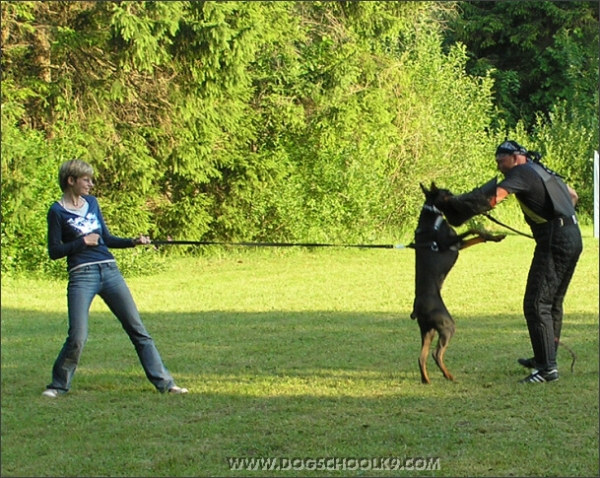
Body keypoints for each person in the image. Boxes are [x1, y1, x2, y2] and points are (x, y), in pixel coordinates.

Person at [439, 140, 583, 384]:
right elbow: (572, 195)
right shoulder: (541, 169)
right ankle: (545, 358)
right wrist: (558, 221)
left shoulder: (522, 172)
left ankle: (547, 369)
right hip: (572, 235)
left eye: (500, 161)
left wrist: (460, 206)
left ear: (515, 157)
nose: (499, 167)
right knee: (552, 302)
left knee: (536, 303)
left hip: (555, 241)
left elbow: (495, 197)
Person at [42, 159, 187, 397]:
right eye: (86, 179)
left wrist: (133, 242)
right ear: (71, 181)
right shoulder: (56, 211)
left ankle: (166, 383)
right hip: (82, 275)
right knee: (78, 336)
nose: (91, 184)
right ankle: (58, 385)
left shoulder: (92, 203)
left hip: (110, 271)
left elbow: (106, 238)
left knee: (137, 329)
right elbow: (54, 251)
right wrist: (82, 242)